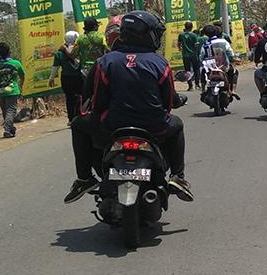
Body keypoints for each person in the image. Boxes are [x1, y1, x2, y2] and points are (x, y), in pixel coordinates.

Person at [74, 11, 192, 202]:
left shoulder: (105, 62)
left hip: (112, 126)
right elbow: (169, 102)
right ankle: (178, 176)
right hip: (154, 126)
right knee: (177, 124)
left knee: (78, 124)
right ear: (146, 34)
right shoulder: (160, 63)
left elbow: (95, 101)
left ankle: (84, 178)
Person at [63, 19, 122, 202]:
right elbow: (107, 50)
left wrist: (64, 48)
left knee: (84, 111)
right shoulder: (100, 39)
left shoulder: (81, 40)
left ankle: (84, 177)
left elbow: (73, 55)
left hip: (86, 72)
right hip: (105, 68)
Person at [51, 30, 82, 123]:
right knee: (80, 96)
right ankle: (79, 115)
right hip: (79, 77)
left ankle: (71, 118)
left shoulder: (59, 53)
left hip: (66, 78)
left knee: (69, 98)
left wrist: (51, 78)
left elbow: (55, 68)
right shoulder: (80, 50)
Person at [200, 24, 238, 94]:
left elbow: (201, 56)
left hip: (209, 68)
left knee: (203, 72)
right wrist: (232, 59)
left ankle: (203, 90)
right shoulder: (223, 42)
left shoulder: (205, 44)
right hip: (224, 67)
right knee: (233, 71)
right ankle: (232, 91)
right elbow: (230, 53)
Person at [178, 21, 202, 91]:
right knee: (196, 69)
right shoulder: (194, 35)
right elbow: (196, 45)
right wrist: (195, 51)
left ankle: (190, 86)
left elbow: (179, 44)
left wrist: (181, 49)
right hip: (193, 55)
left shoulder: (181, 35)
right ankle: (197, 84)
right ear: (191, 27)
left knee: (187, 70)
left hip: (185, 55)